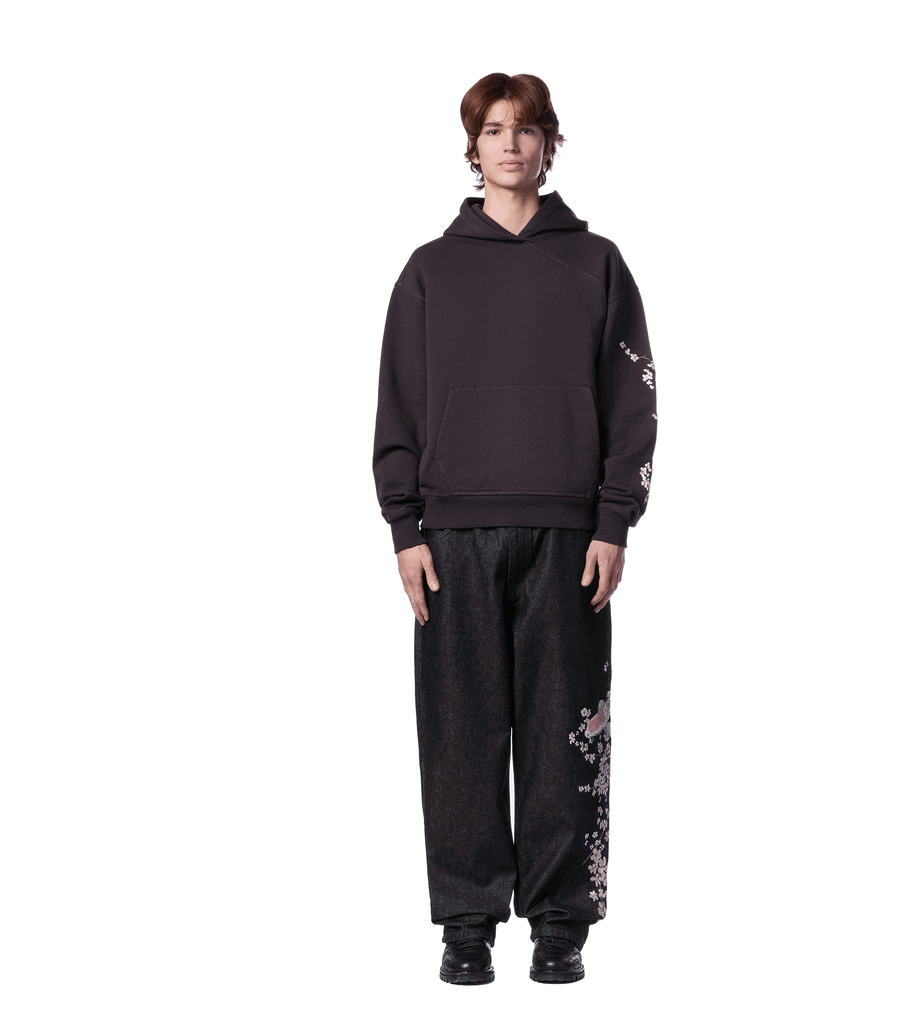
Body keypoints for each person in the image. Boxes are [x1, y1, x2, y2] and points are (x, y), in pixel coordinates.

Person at [371, 72, 657, 985]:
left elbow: (632, 402)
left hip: (569, 535)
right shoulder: (430, 269)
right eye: (494, 129)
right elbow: (398, 405)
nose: (509, 144)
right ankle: (466, 922)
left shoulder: (597, 263)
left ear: (548, 144)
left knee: (564, 729)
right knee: (458, 735)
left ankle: (561, 921)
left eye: (526, 129)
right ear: (473, 146)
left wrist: (614, 520)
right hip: (452, 536)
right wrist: (405, 529)